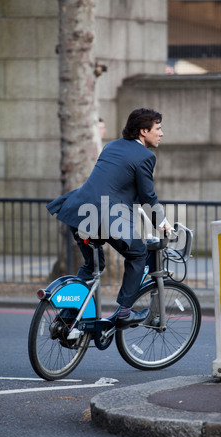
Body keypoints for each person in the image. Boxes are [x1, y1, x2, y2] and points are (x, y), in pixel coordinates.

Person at [47, 108, 171, 328]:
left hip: (80, 211)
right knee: (138, 254)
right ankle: (124, 312)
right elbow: (147, 196)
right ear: (144, 131)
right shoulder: (145, 156)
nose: (161, 133)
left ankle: (68, 317)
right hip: (107, 217)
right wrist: (162, 223)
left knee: (91, 266)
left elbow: (115, 184)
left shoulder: (112, 145)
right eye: (158, 129)